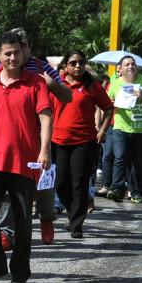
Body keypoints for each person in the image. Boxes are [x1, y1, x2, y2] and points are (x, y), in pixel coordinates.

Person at [0, 30, 52, 283]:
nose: (13, 57)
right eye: (8, 53)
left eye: (17, 52)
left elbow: (46, 117)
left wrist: (44, 151)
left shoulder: (35, 82)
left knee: (22, 216)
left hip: (24, 161)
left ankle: (20, 270)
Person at [52, 51, 113, 238]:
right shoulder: (56, 83)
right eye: (73, 63)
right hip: (59, 140)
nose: (77, 66)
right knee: (61, 183)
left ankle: (77, 224)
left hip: (84, 141)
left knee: (78, 183)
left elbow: (109, 108)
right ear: (65, 66)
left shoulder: (91, 86)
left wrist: (102, 131)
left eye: (81, 63)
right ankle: (73, 212)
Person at [106, 56, 142, 203]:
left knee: (138, 162)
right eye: (127, 64)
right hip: (121, 127)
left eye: (133, 64)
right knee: (120, 157)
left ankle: (136, 192)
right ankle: (117, 189)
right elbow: (107, 102)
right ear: (120, 69)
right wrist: (113, 104)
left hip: (140, 129)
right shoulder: (115, 83)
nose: (130, 66)